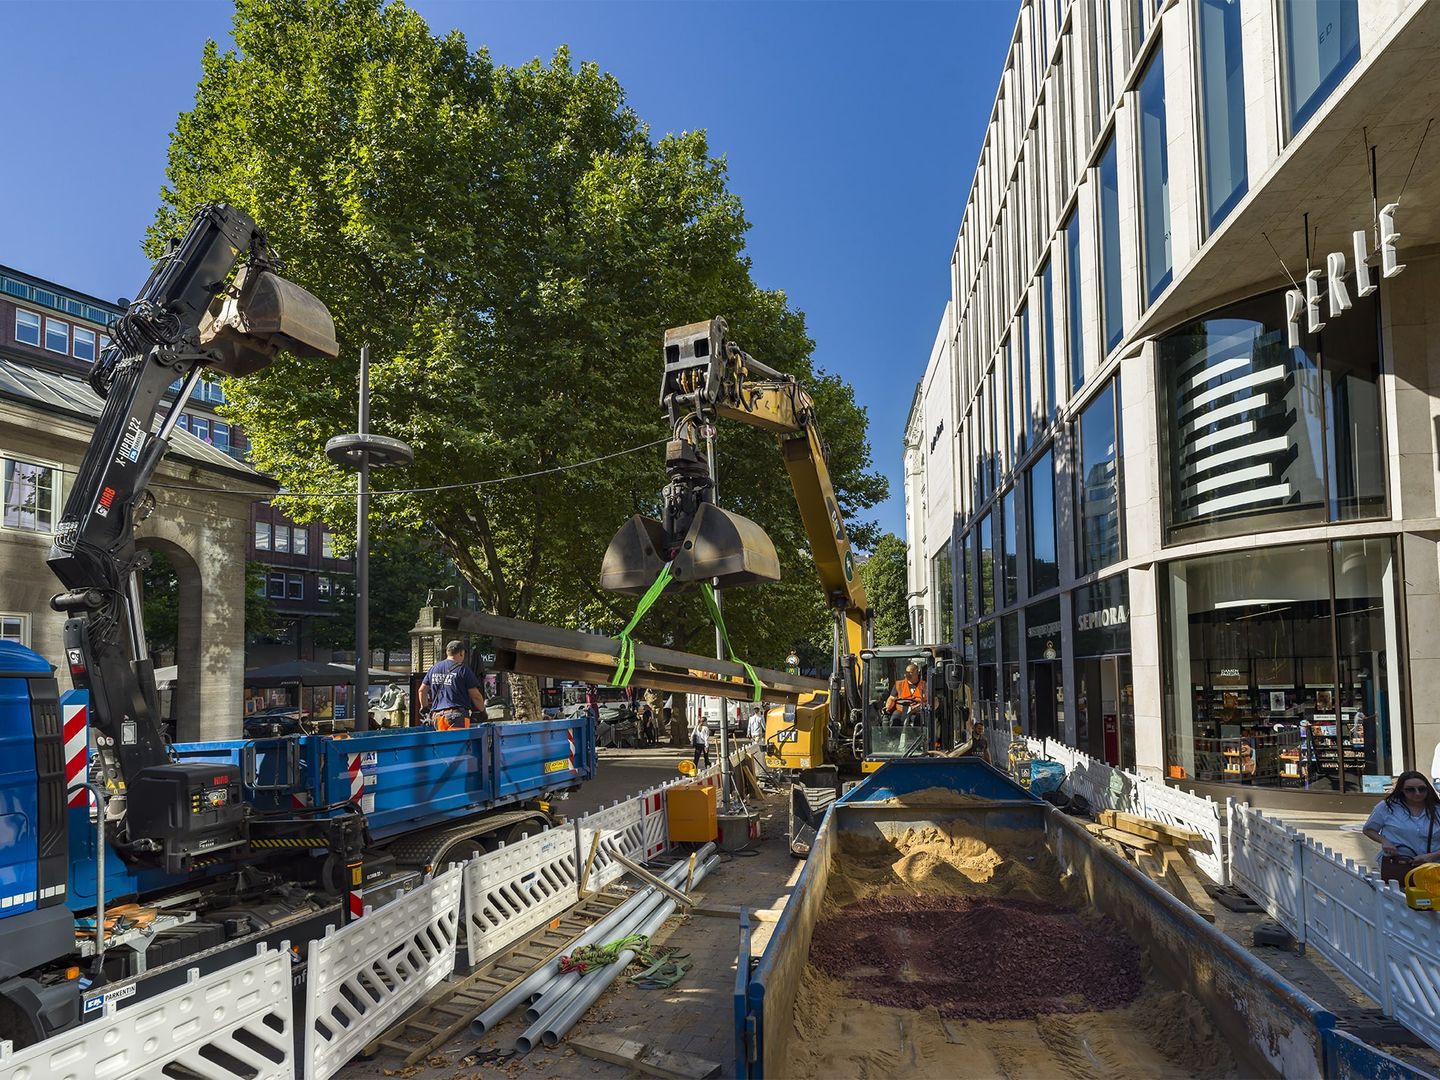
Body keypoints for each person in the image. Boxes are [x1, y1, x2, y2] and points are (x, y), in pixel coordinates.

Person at [1363, 771, 1440, 882]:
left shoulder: (1437, 809)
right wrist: (1384, 841)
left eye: (1422, 789)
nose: (1417, 793)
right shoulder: (1387, 807)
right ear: (1401, 790)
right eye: (1410, 790)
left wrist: (1433, 856)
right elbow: (1369, 829)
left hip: (1433, 868)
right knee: (1397, 892)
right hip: (1398, 865)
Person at [418, 640, 485, 730]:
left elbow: (422, 691)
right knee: (458, 739)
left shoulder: (434, 668)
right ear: (461, 653)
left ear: (447, 652)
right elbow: (476, 696)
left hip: (437, 717)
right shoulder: (463, 670)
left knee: (442, 739)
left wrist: (425, 708)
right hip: (457, 717)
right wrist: (482, 711)